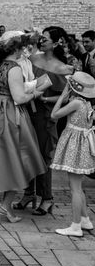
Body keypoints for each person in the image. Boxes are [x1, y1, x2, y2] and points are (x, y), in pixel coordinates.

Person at [0, 32, 46, 223]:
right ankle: (5, 208)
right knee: (17, 160)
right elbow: (19, 98)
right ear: (17, 49)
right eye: (24, 47)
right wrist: (36, 92)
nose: (26, 50)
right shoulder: (13, 68)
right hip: (9, 116)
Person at [13, 26, 73, 216]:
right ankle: (29, 193)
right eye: (41, 38)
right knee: (26, 154)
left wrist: (44, 98)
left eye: (45, 39)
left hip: (45, 115)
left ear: (56, 43)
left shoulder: (63, 68)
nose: (41, 41)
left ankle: (47, 198)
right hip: (27, 112)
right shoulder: (32, 59)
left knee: (43, 156)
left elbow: (66, 97)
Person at [49, 72, 95, 237]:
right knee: (79, 186)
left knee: (75, 188)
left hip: (74, 146)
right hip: (81, 147)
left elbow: (54, 114)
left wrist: (62, 94)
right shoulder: (87, 104)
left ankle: (75, 226)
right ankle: (84, 219)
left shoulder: (76, 102)